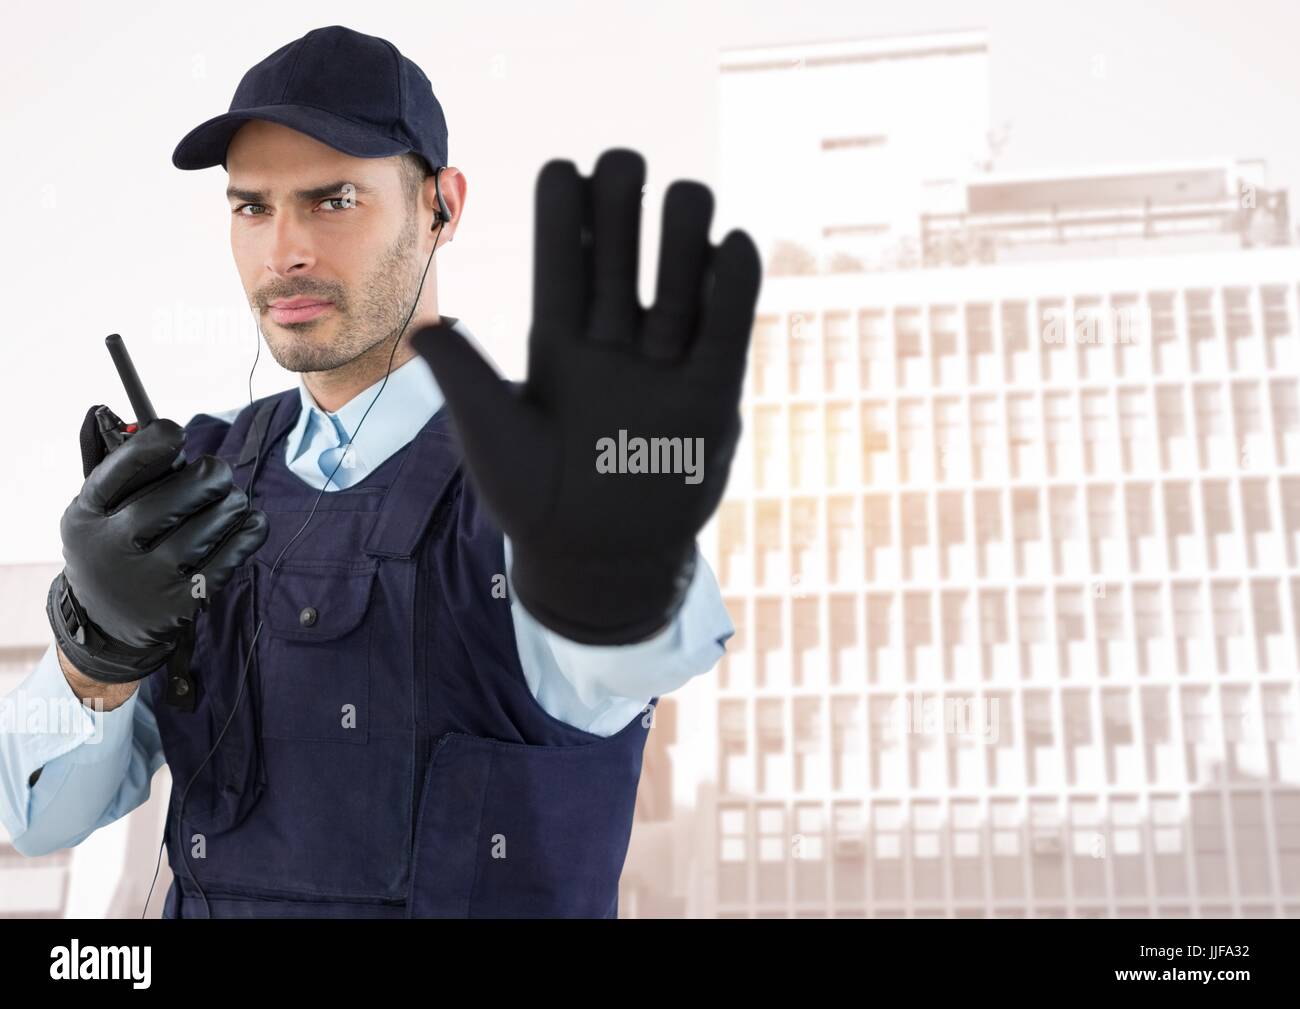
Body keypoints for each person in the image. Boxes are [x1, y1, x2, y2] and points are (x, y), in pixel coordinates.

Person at [0, 23, 760, 918]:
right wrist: (97, 652)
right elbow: (35, 817)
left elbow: (642, 643)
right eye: (252, 208)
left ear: (443, 205)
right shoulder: (189, 492)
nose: (284, 251)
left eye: (333, 200)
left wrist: (619, 570)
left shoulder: (540, 490)